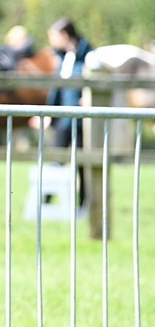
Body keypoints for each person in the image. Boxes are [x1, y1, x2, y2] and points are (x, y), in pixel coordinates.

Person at [44, 17, 94, 208]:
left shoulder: (90, 56)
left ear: (64, 35)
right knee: (56, 159)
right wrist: (49, 113)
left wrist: (89, 97)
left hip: (82, 121)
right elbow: (57, 89)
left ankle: (84, 204)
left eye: (53, 37)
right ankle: (46, 203)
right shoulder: (62, 58)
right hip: (63, 119)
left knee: (82, 163)